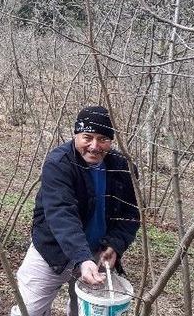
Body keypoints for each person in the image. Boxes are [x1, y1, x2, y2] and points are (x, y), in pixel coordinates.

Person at [11, 106, 139, 316]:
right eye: (87, 137)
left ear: (111, 140)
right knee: (29, 310)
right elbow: (61, 213)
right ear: (76, 135)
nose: (95, 146)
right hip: (51, 251)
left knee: (87, 312)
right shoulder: (59, 163)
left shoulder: (121, 168)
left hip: (98, 254)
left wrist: (114, 245)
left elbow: (130, 214)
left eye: (103, 139)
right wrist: (81, 257)